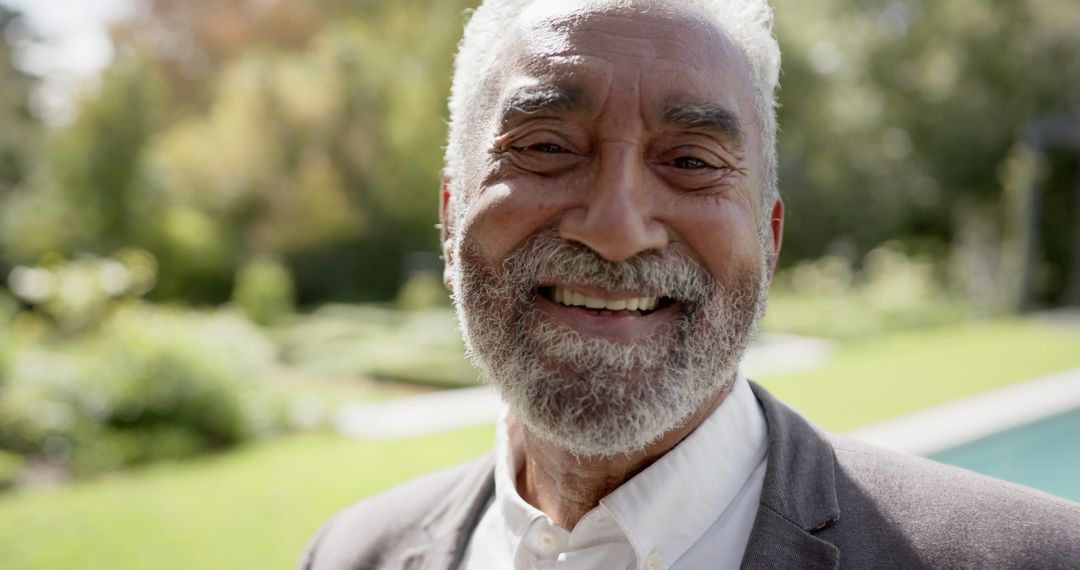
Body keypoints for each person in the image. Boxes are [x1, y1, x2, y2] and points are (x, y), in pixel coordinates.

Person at [298, 1, 1080, 568]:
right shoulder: (347, 553)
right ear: (450, 214)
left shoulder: (1037, 558)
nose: (615, 226)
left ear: (768, 241)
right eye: (544, 146)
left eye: (691, 161)